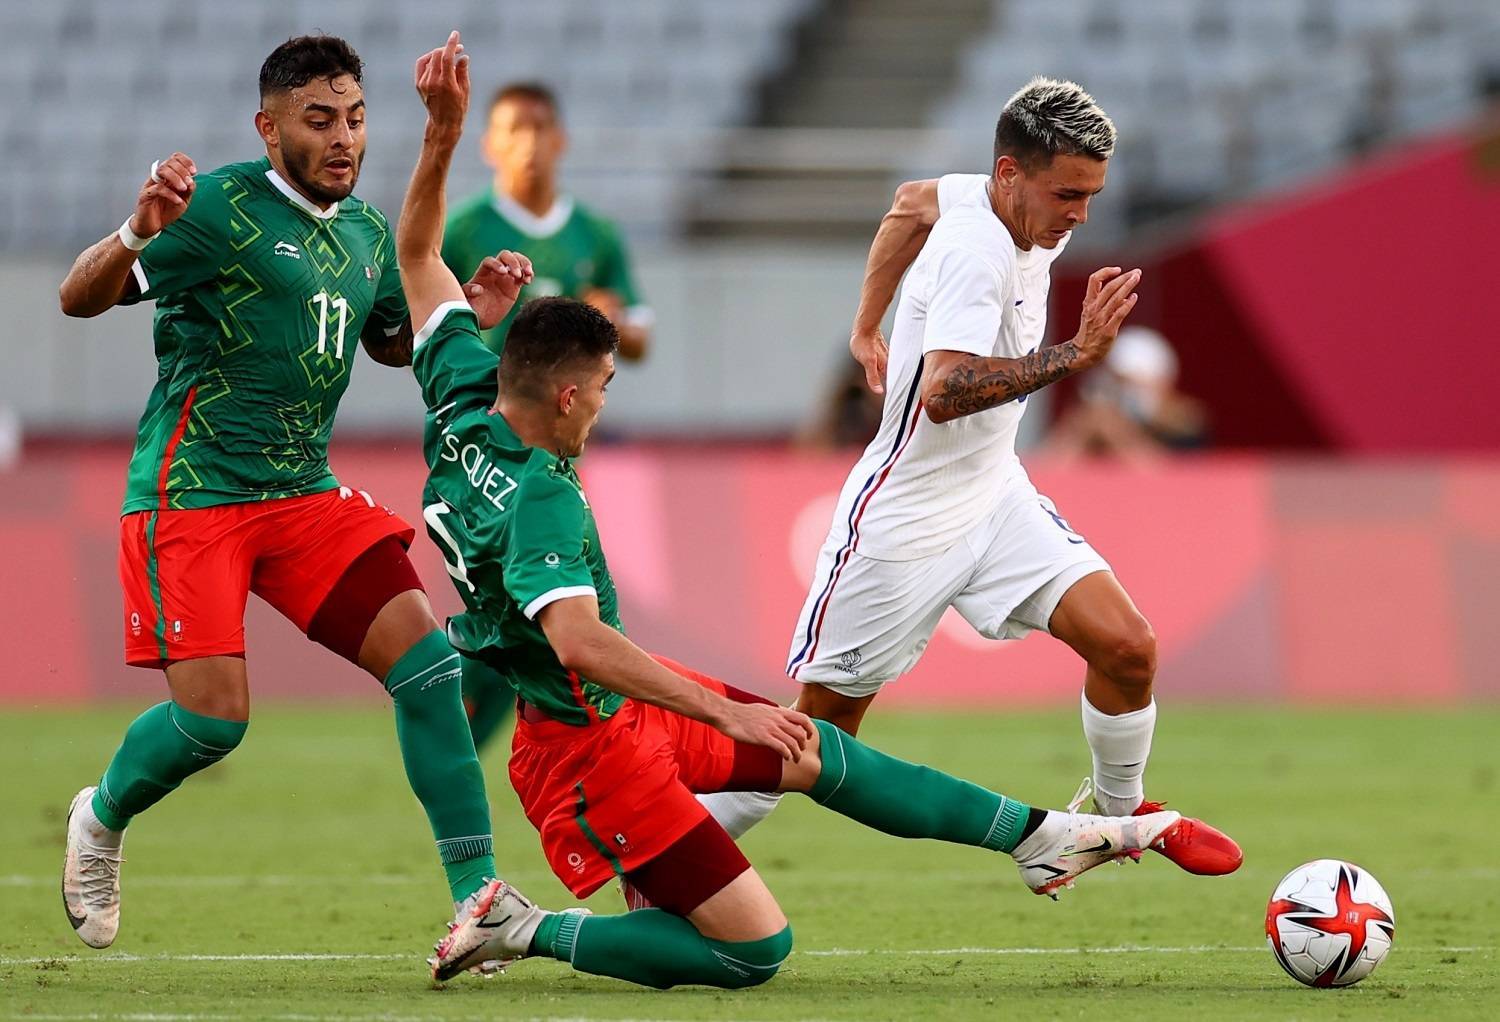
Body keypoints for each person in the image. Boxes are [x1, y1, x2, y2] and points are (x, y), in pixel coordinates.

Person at [396, 35, 1184, 991]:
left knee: (816, 745)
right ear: (564, 396)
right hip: (595, 732)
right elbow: (583, 644)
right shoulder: (544, 504)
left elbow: (417, 255)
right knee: (772, 883)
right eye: (602, 388)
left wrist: (439, 135)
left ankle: (1057, 833)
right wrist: (1074, 354)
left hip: (635, 699)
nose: (605, 405)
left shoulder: (458, 391)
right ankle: (539, 924)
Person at [696, 78, 1243, 878]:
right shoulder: (973, 252)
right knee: (811, 737)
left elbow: (909, 202)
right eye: (1068, 194)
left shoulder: (999, 204)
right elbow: (943, 393)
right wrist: (1076, 356)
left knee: (1127, 646)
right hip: (905, 519)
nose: (1079, 215)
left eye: (1092, 195)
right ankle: (661, 861)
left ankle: (1117, 822)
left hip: (993, 496)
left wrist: (865, 323)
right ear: (1010, 173)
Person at [54, 34, 527, 950]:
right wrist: (135, 232)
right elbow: (78, 298)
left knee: (429, 668)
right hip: (191, 493)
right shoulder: (219, 207)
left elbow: (389, 340)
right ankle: (101, 817)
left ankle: (481, 899)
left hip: (301, 493)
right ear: (269, 129)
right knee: (212, 722)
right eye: (319, 121)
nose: (343, 138)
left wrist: (471, 306)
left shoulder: (362, 233)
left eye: (354, 117)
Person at [439, 79, 651, 754]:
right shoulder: (467, 229)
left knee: (540, 603)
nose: (528, 142)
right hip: (487, 439)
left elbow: (640, 337)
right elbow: (420, 320)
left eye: (539, 127)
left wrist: (610, 319)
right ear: (490, 145)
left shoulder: (596, 234)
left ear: (559, 139)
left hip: (557, 449)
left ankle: (478, 740)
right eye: (513, 129)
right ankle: (466, 739)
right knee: (535, 603)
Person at [1043, 325, 1209, 460]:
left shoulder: (1185, 428)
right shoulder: (1092, 424)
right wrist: (1079, 428)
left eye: (1131, 382)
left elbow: (1174, 477)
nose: (1124, 392)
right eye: (1117, 383)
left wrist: (1119, 436)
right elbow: (1049, 467)